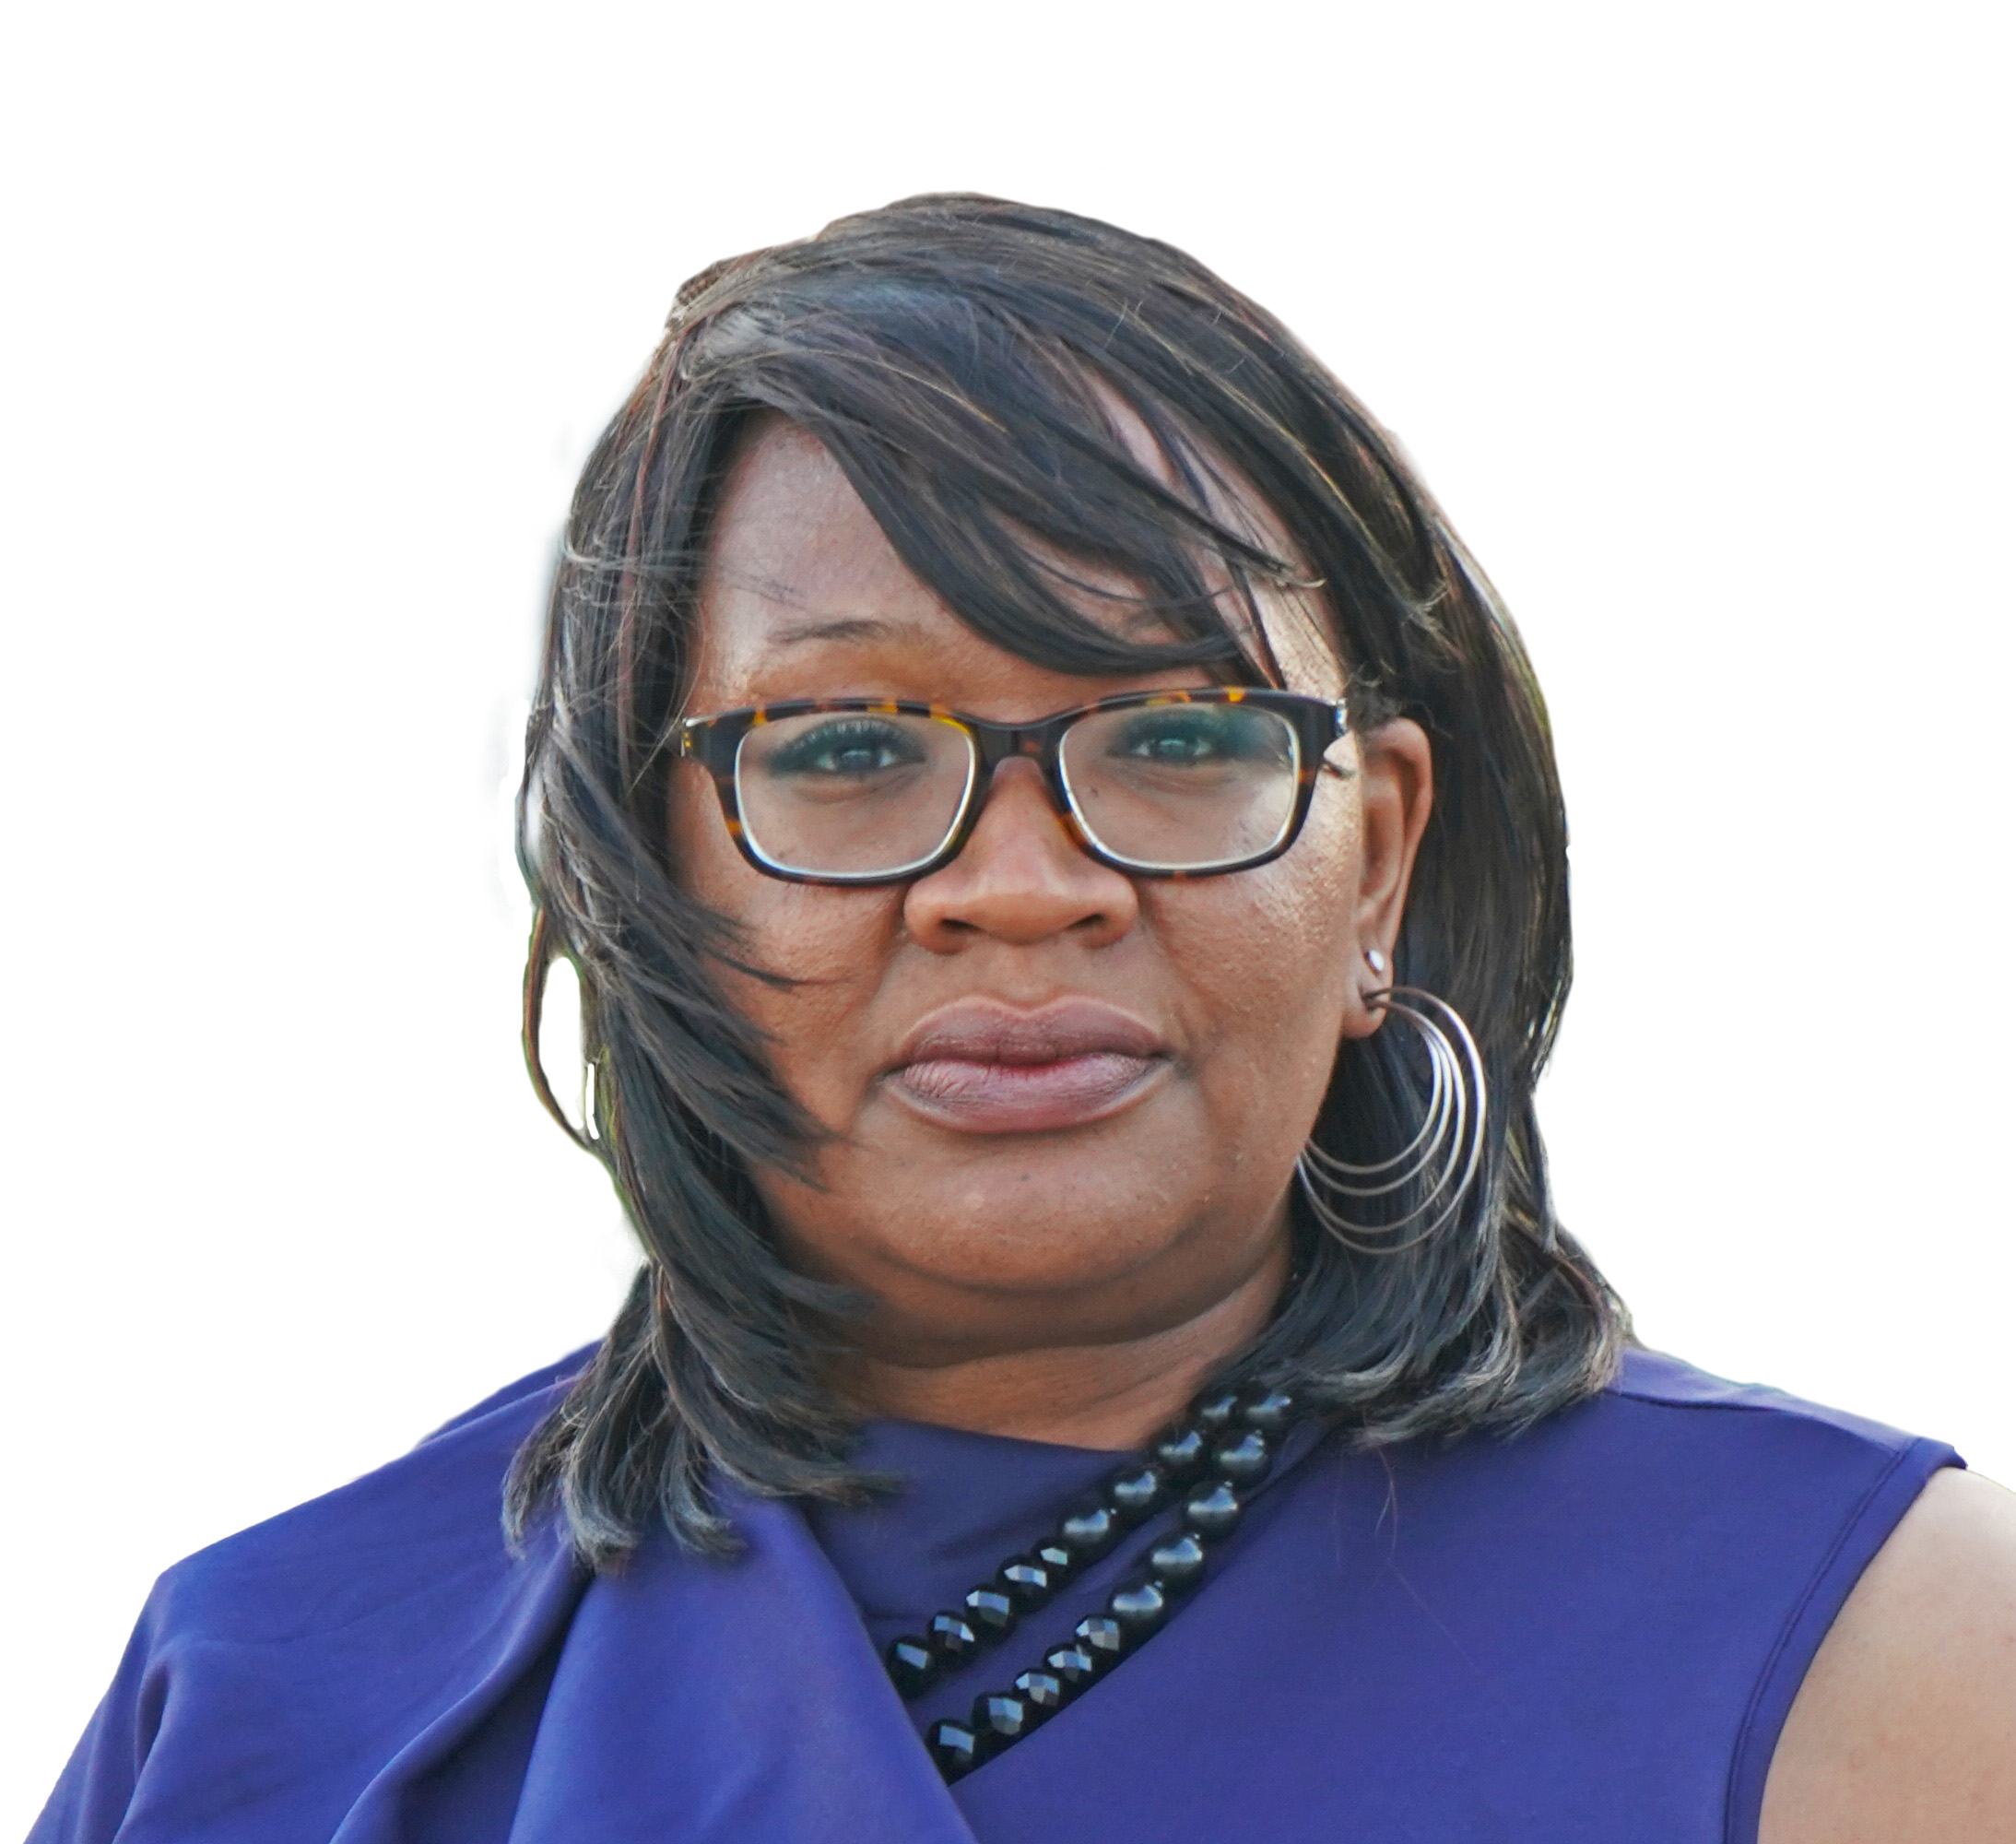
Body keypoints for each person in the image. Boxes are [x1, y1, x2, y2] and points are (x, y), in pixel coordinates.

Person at [33, 195, 2016, 1844]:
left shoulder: (1875, 1648)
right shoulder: (266, 1697)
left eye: (1178, 736)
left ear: (1377, 866)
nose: (1018, 882)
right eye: (841, 748)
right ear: (653, 878)